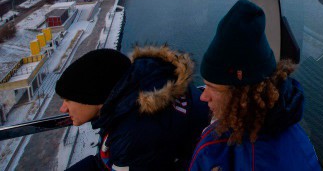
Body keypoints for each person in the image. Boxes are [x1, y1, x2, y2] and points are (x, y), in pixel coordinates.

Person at [189, 0, 321, 170]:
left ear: (239, 93)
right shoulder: (297, 136)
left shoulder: (217, 152)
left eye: (213, 88)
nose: (203, 96)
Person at [55, 46, 210, 170]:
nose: (63, 109)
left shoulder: (133, 135)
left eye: (68, 100)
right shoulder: (136, 95)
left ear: (94, 97)